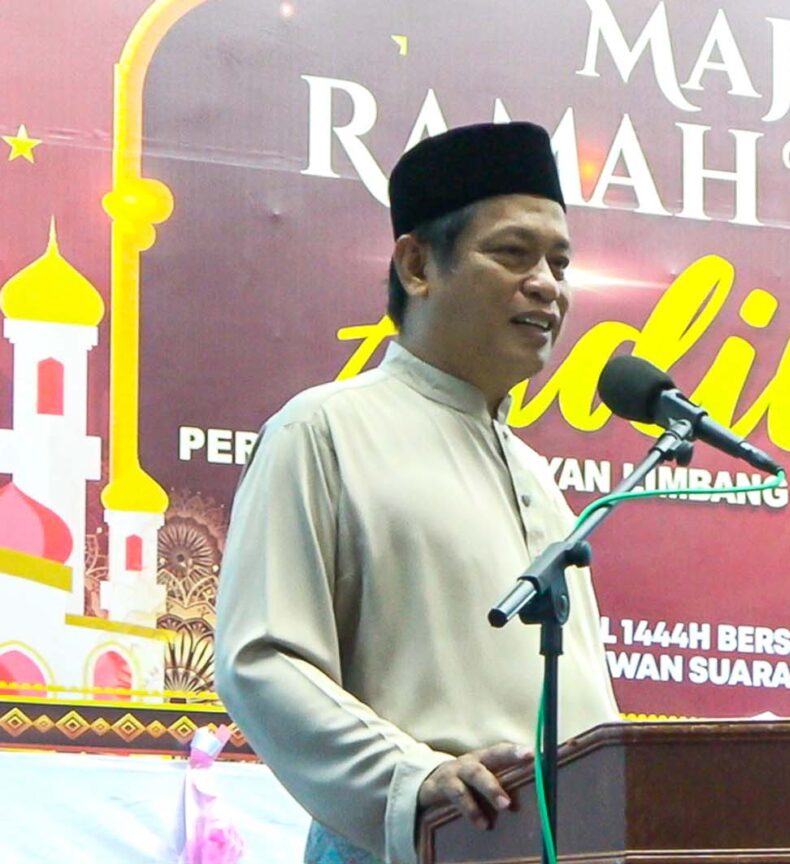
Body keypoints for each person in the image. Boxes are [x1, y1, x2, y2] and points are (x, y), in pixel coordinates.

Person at [215, 122, 620, 864]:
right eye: (513, 253)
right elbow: (263, 658)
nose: (546, 284)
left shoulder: (539, 480)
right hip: (410, 843)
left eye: (559, 263)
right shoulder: (323, 430)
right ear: (417, 265)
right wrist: (413, 777)